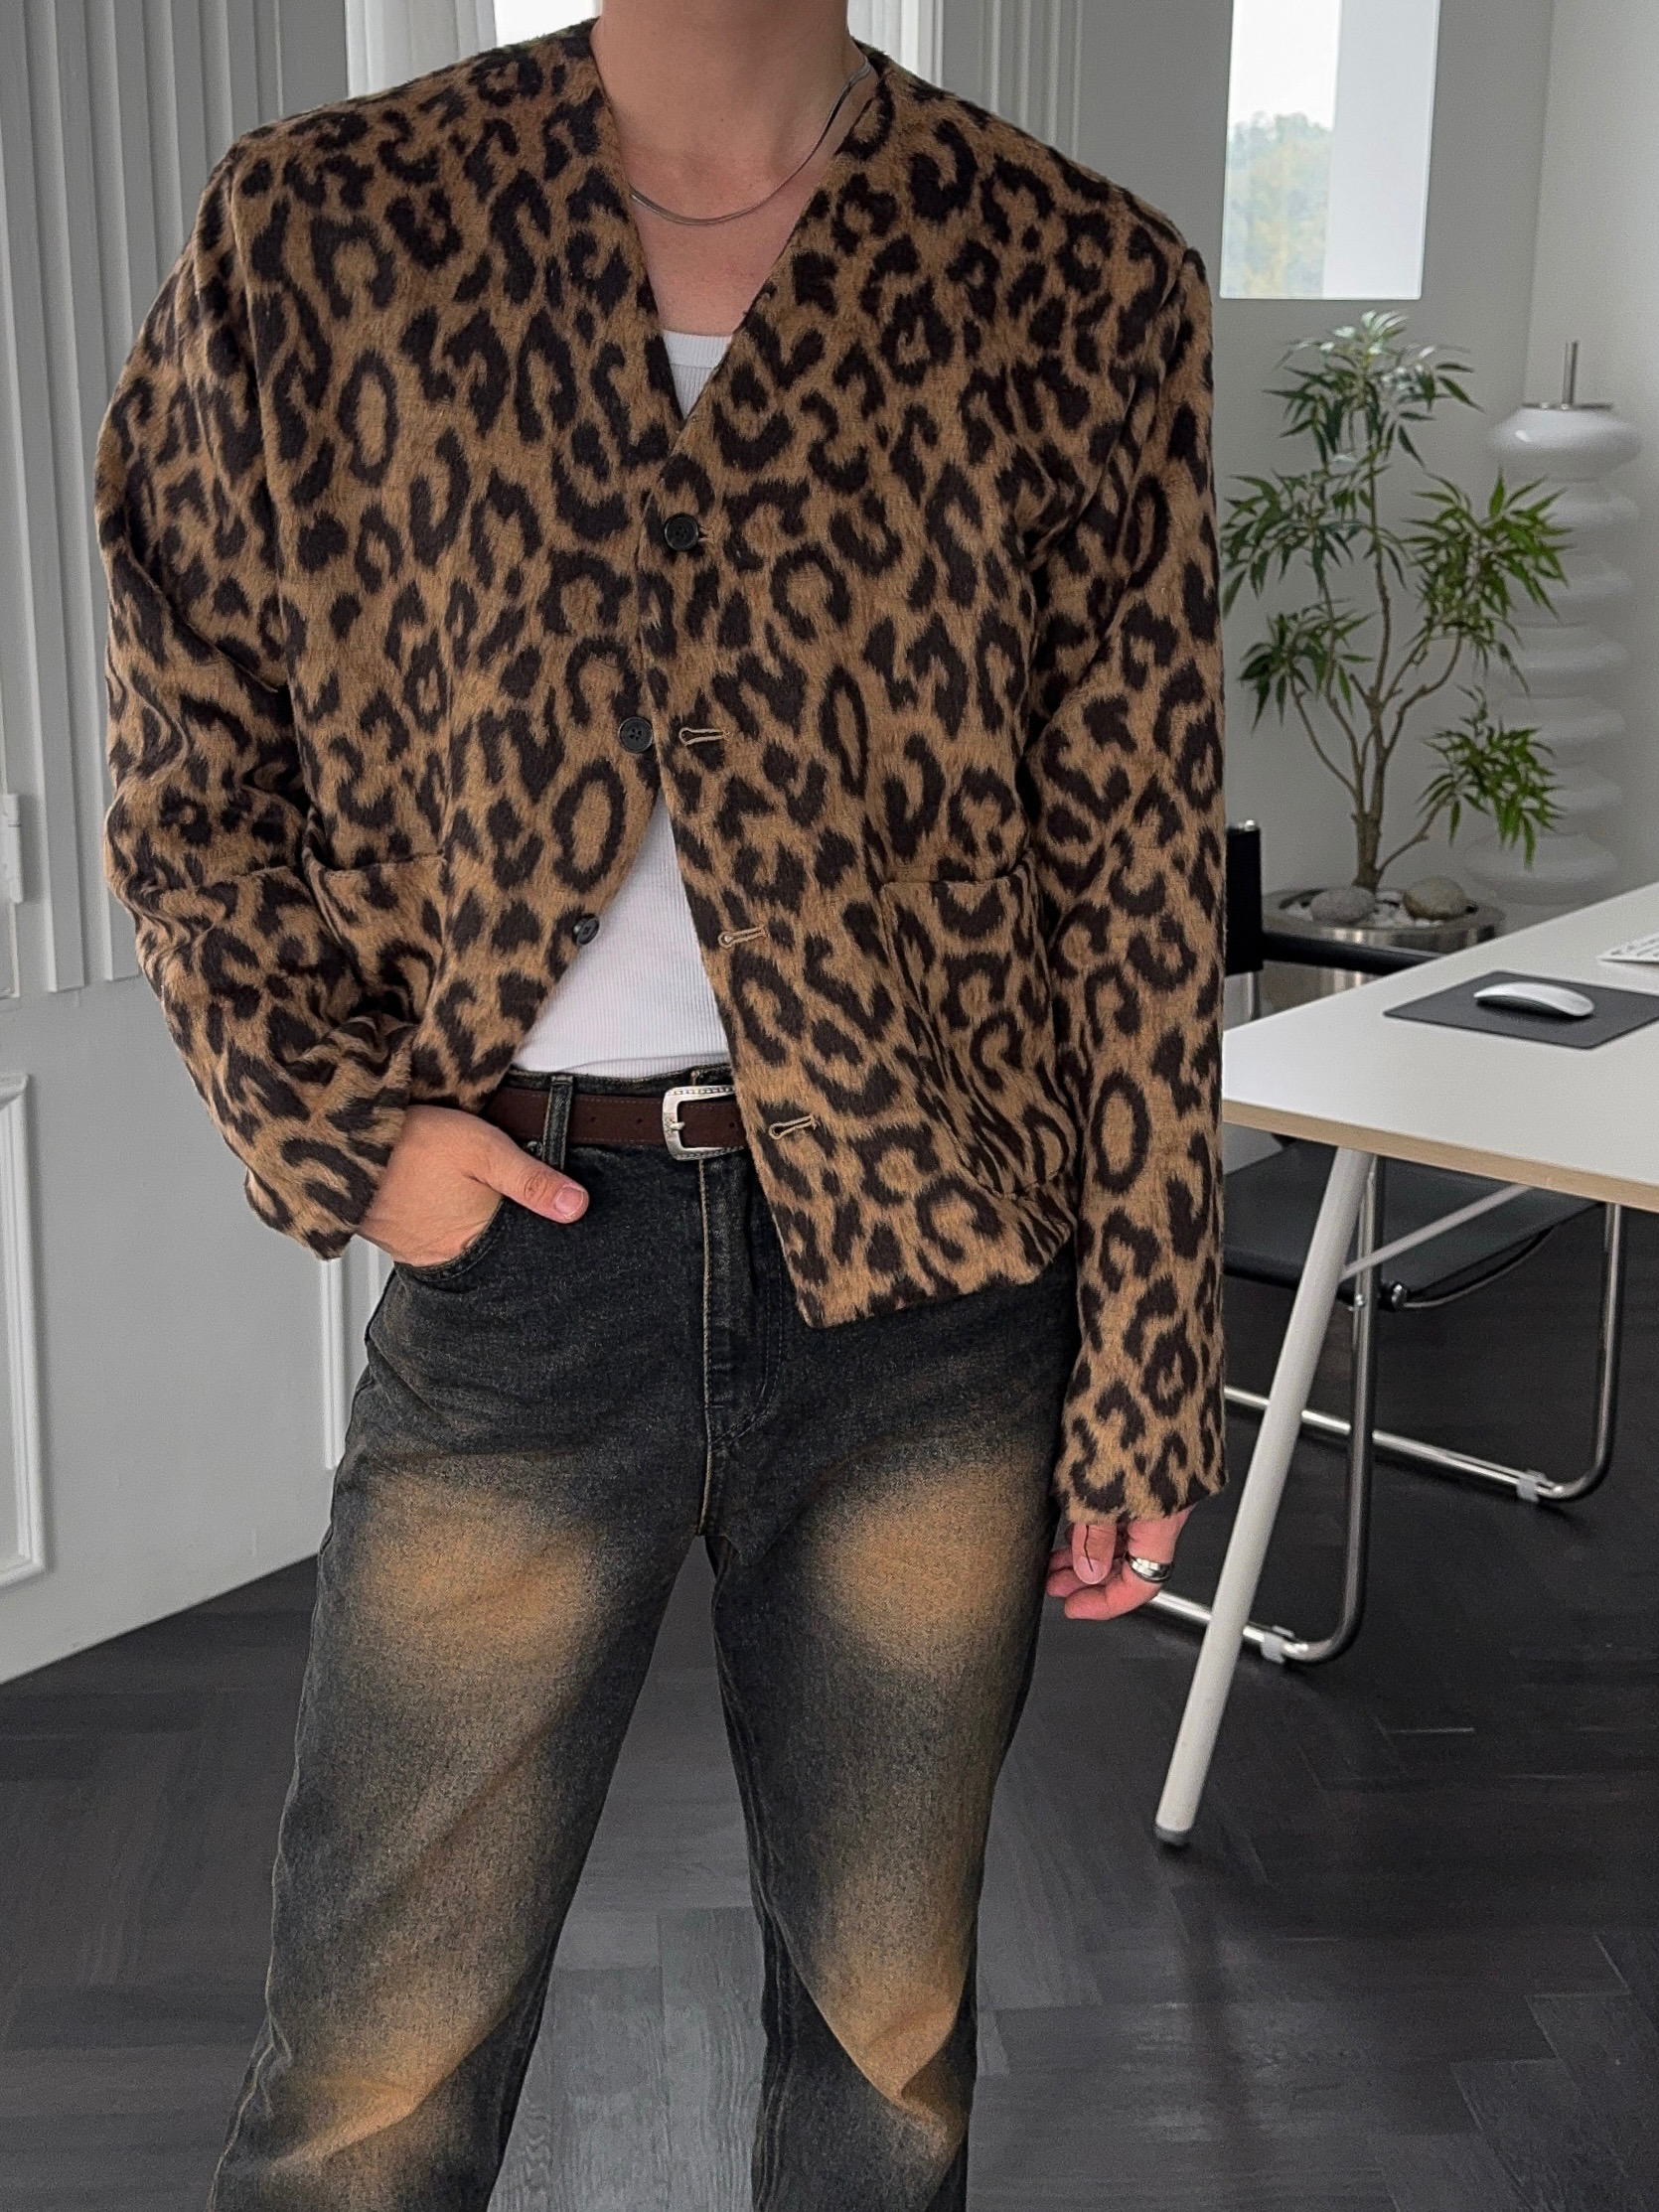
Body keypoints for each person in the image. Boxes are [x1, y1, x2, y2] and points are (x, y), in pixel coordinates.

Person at [94, 2, 1226, 2203]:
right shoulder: (329, 228)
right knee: (366, 2085)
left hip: (929, 1296)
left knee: (885, 2054)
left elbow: (1137, 862)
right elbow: (187, 761)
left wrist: (1148, 1362)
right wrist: (342, 1133)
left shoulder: (1067, 274)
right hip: (524, 1248)